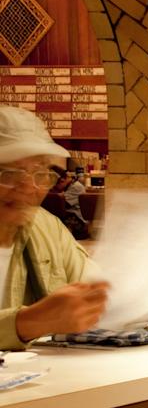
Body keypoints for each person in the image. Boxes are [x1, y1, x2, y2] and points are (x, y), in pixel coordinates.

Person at [0, 107, 109, 348]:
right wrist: (27, 323)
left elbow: (94, 291)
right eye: (8, 173)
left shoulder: (46, 227)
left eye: (40, 173)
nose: (28, 187)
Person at [49, 163, 90, 240]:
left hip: (79, 224)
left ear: (62, 180)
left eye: (54, 186)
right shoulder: (69, 186)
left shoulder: (75, 187)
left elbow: (61, 204)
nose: (54, 189)